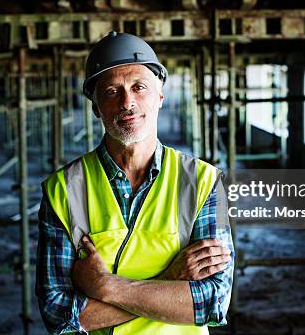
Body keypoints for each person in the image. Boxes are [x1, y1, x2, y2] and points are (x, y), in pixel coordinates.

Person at [36, 31, 234, 334]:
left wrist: (105, 287)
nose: (127, 102)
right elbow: (59, 316)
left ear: (160, 97)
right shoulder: (63, 189)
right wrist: (171, 280)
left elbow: (212, 302)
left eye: (139, 87)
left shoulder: (204, 182)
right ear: (96, 107)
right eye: (112, 91)